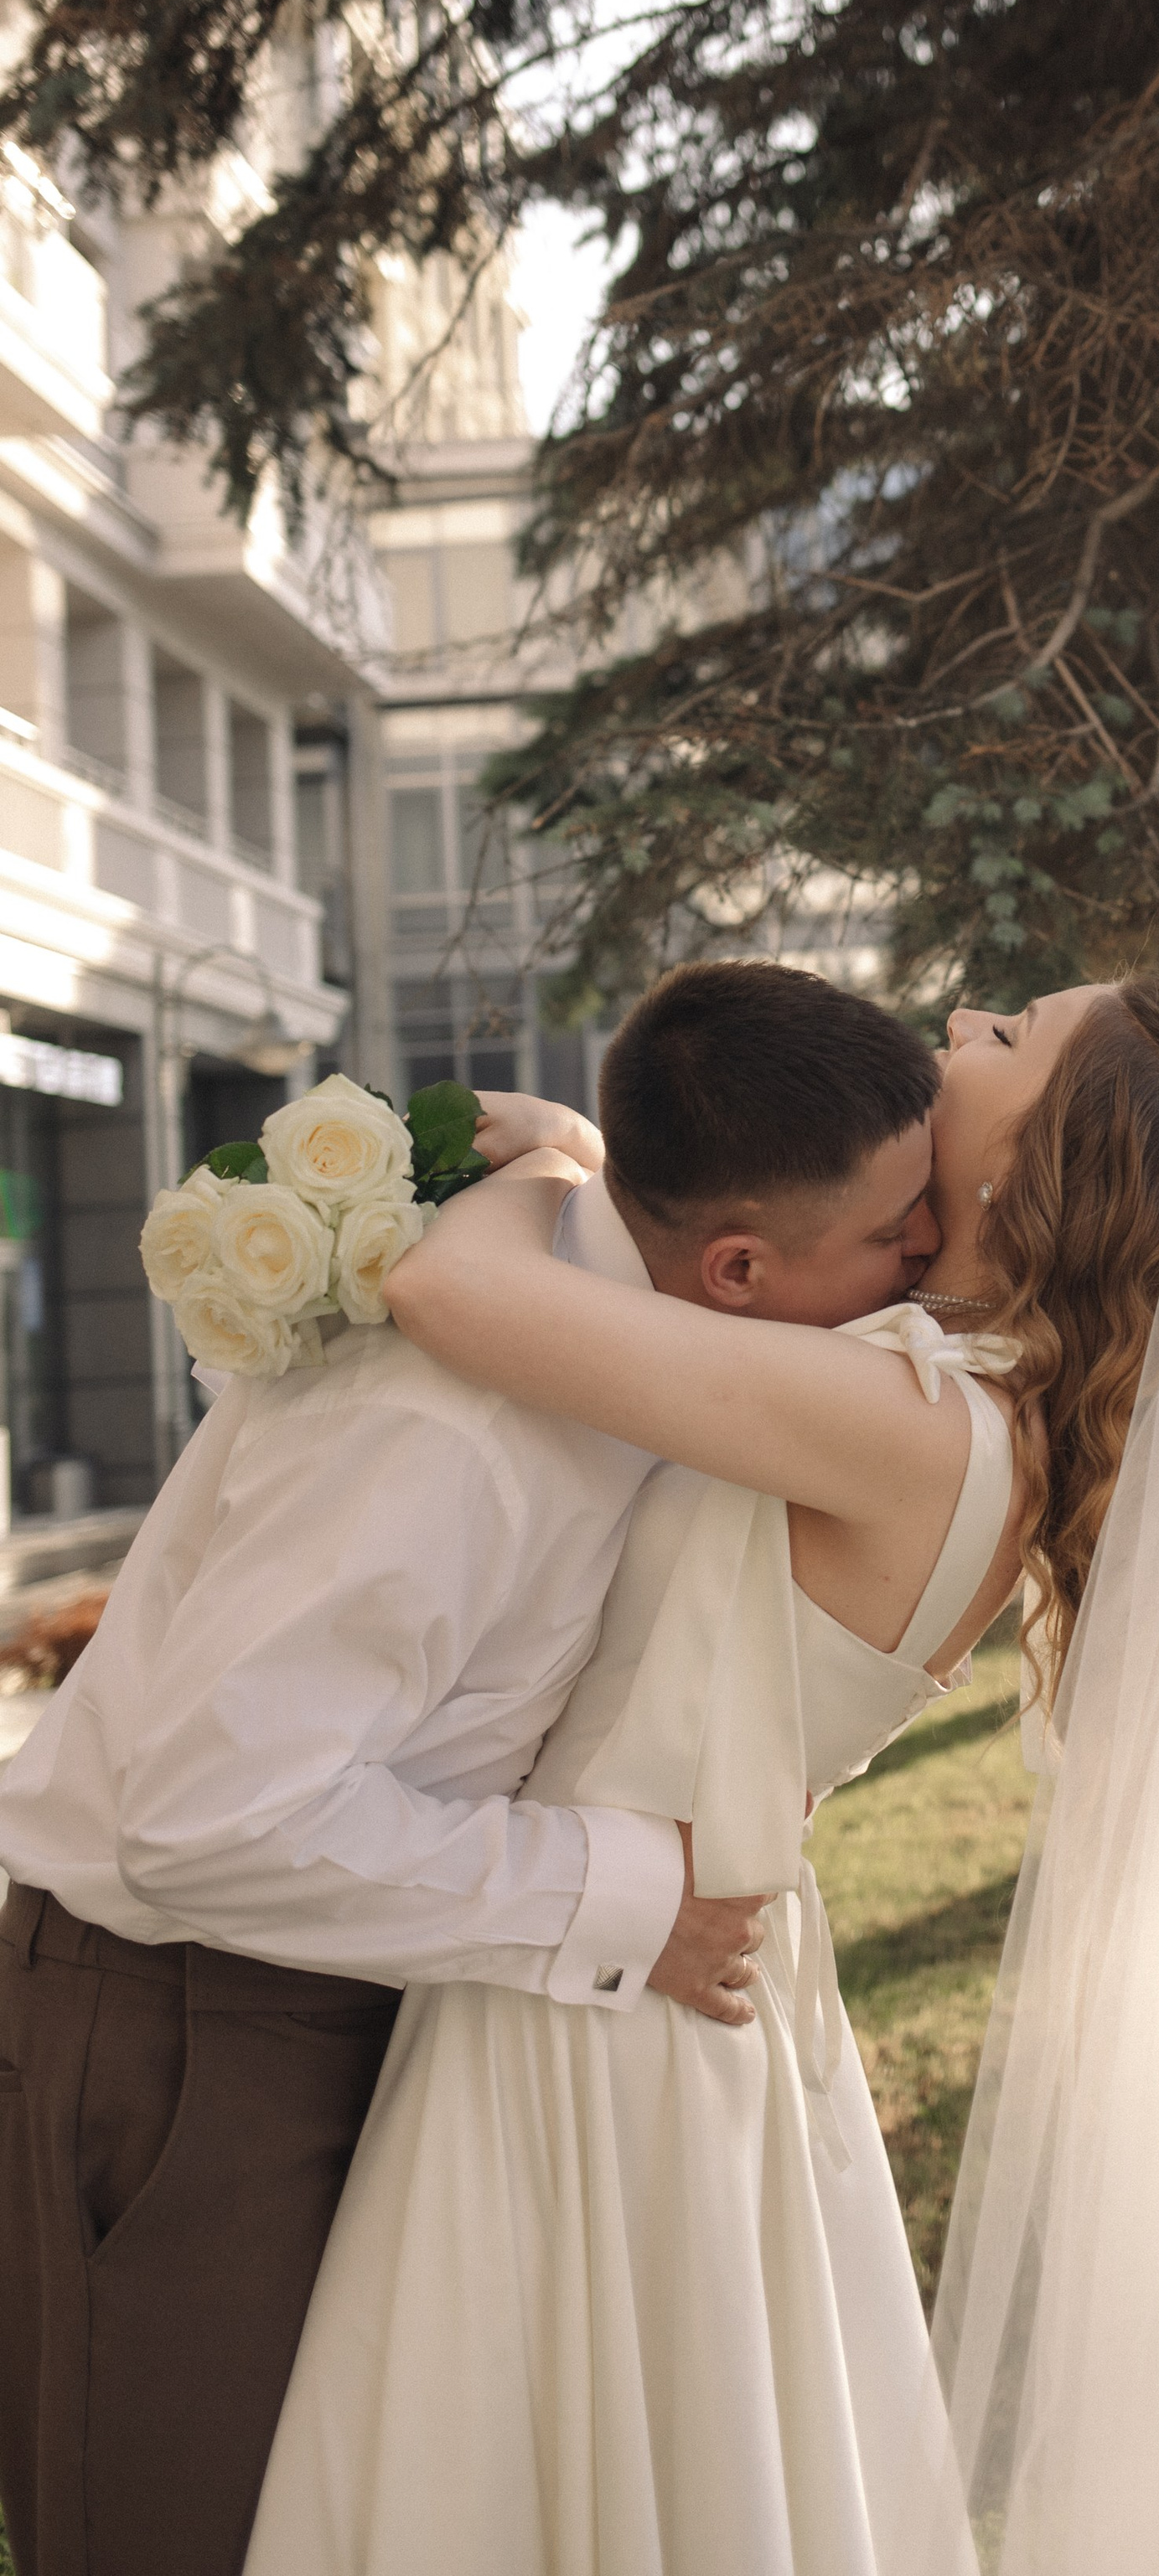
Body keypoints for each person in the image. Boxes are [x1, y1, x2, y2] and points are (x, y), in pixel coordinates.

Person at [251, 977, 1159, 2576]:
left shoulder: (914, 1422)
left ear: (1031, 1165)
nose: (965, 1020)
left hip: (610, 2025)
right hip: (622, 1963)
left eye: (1012, 1035)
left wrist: (562, 1151)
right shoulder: (920, 1386)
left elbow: (452, 1292)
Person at [0, 960, 940, 2576]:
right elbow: (207, 1820)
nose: (925, 1257)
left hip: (362, 2002)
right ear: (736, 1266)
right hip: (193, 2043)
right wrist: (623, 1897)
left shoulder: (594, 1307)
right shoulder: (446, 1432)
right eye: (896, 1235)